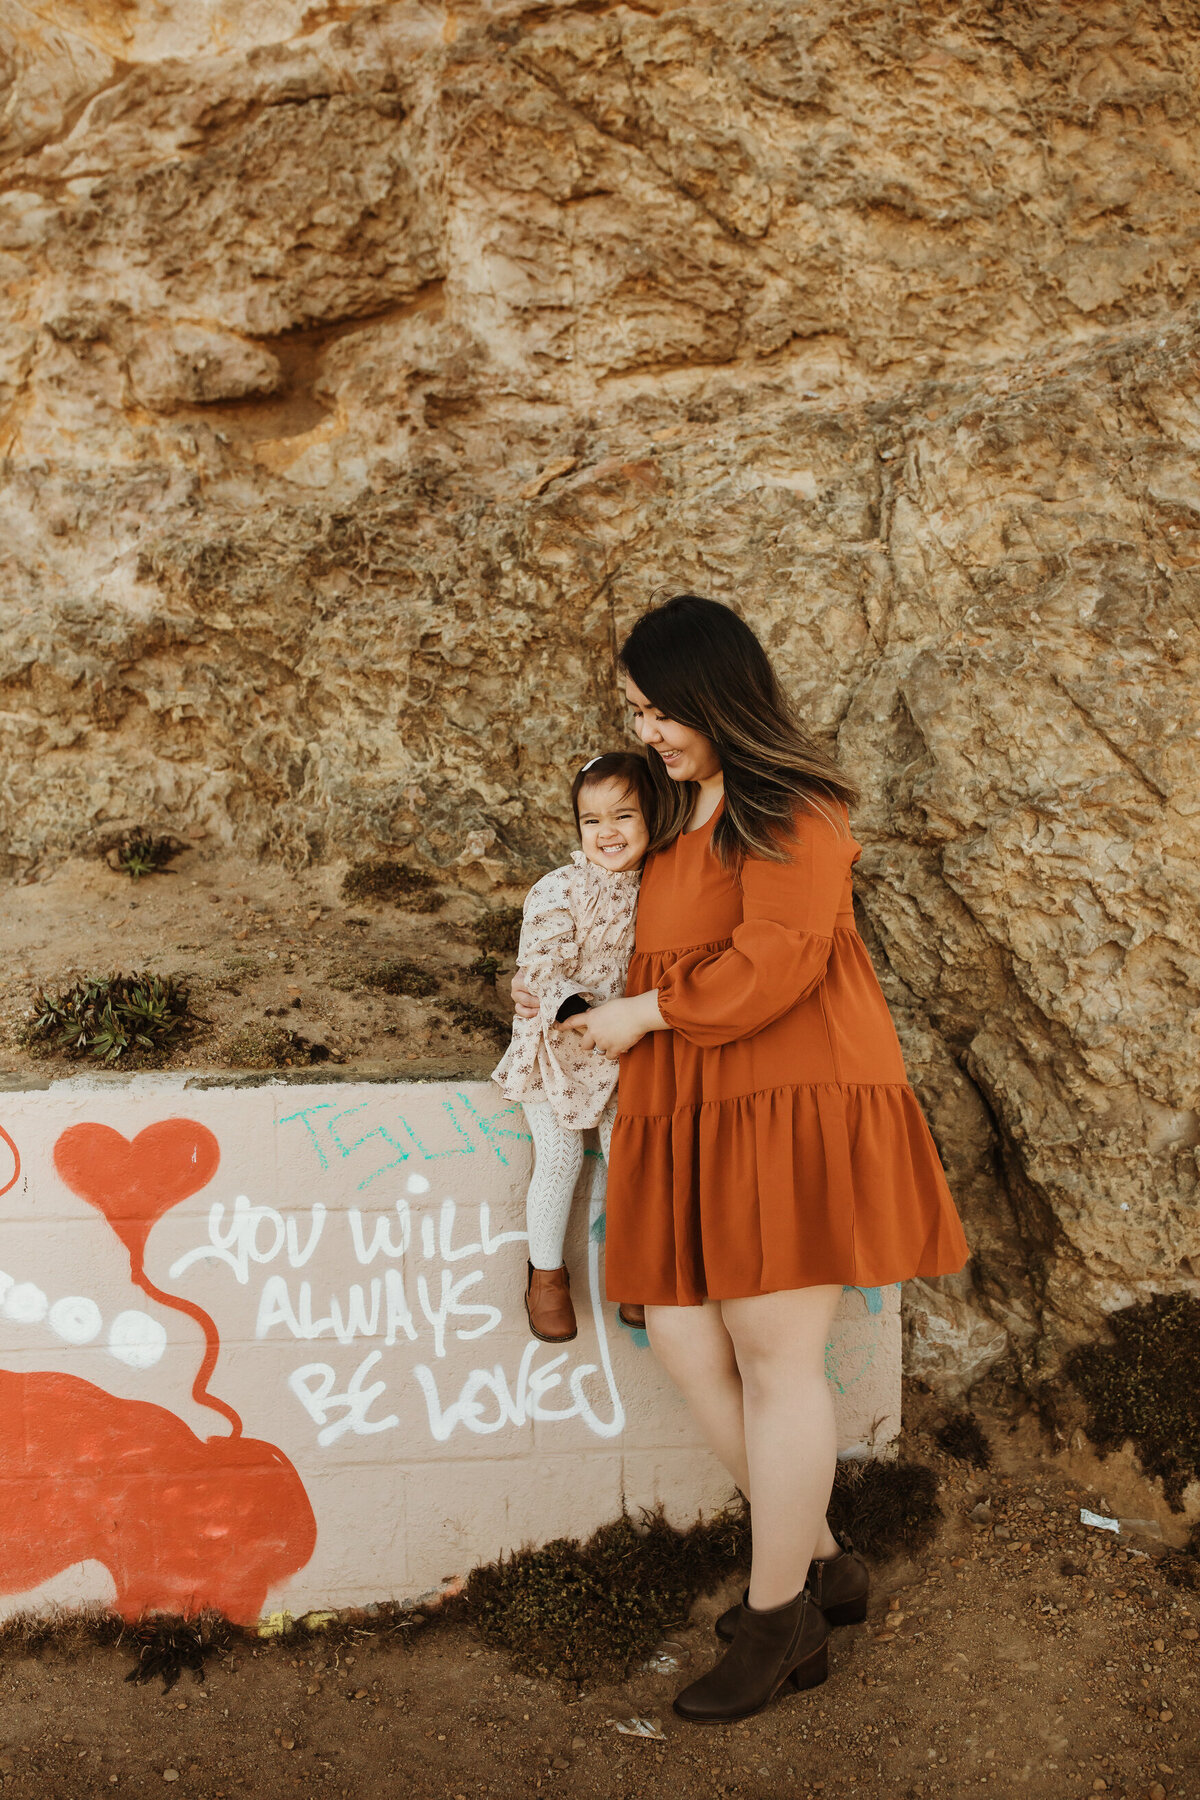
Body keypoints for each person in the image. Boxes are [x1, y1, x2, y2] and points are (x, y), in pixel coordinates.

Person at [514, 595, 968, 1723]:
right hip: (691, 1103)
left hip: (786, 1098)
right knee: (678, 1331)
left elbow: (779, 959)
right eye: (637, 711)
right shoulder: (676, 809)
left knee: (776, 1360)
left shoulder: (789, 807)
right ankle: (820, 1563)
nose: (650, 729)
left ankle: (778, 1623)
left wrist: (643, 1015)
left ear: (716, 693)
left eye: (661, 708)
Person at [493, 752, 655, 1343]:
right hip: (556, 1051)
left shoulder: (660, 886)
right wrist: (577, 1011)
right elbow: (541, 965)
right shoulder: (560, 888)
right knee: (558, 1162)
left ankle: (634, 1273)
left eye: (624, 816)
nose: (607, 832)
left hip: (620, 1054)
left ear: (652, 818)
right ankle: (546, 1276)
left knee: (627, 1161)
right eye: (592, 820)